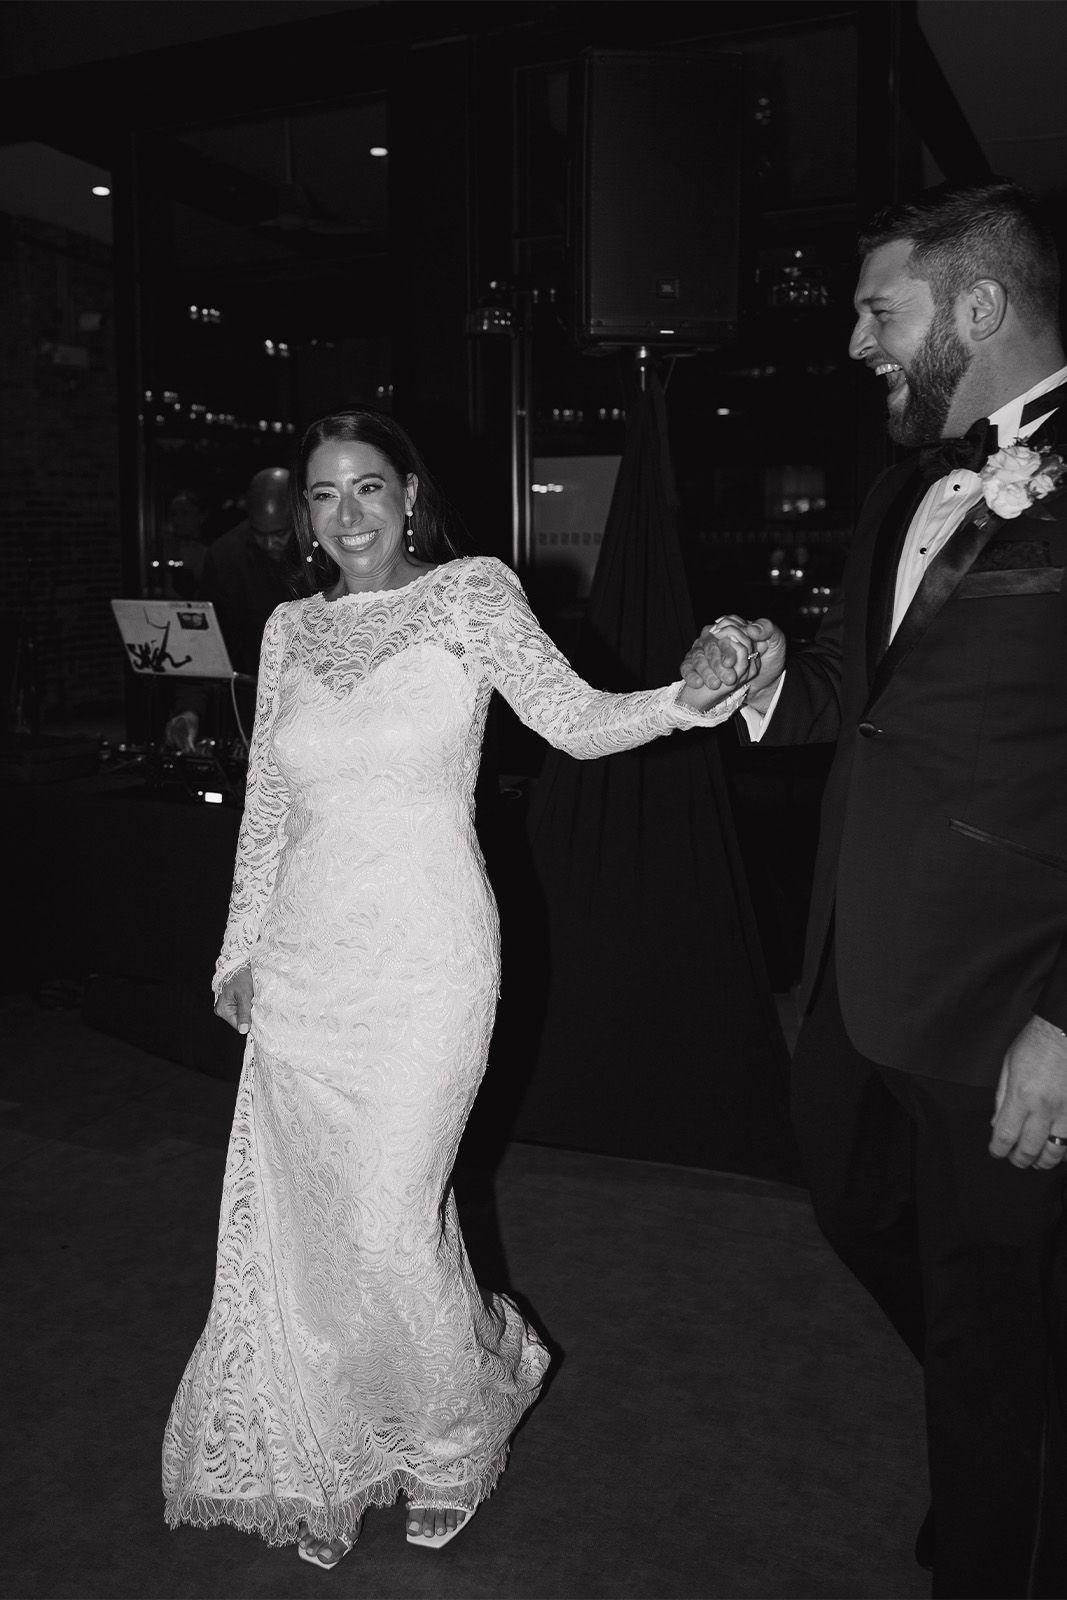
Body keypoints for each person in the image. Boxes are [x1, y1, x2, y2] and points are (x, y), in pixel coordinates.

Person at [162, 405, 757, 1568]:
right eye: (324, 495)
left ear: (410, 495)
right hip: (305, 967)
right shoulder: (288, 628)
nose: (348, 515)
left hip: (430, 953)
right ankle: (336, 1443)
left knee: (388, 1219)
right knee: (321, 1223)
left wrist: (686, 702)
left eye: (368, 487)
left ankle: (454, 1427)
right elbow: (270, 810)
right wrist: (238, 950)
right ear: (301, 515)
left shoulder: (473, 592)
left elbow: (574, 721)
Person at [683, 181, 1067, 1598]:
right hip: (857, 971)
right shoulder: (905, 484)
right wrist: (767, 679)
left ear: (973, 307)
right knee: (854, 1212)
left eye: (875, 310)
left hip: (1008, 1004)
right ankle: (1018, 1421)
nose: (853, 342)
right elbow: (864, 699)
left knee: (982, 1325)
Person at [165, 467, 295, 751]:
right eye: (262, 535)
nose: (271, 543)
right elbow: (207, 640)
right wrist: (189, 709)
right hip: (254, 702)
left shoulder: (322, 544)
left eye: (281, 534)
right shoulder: (227, 556)